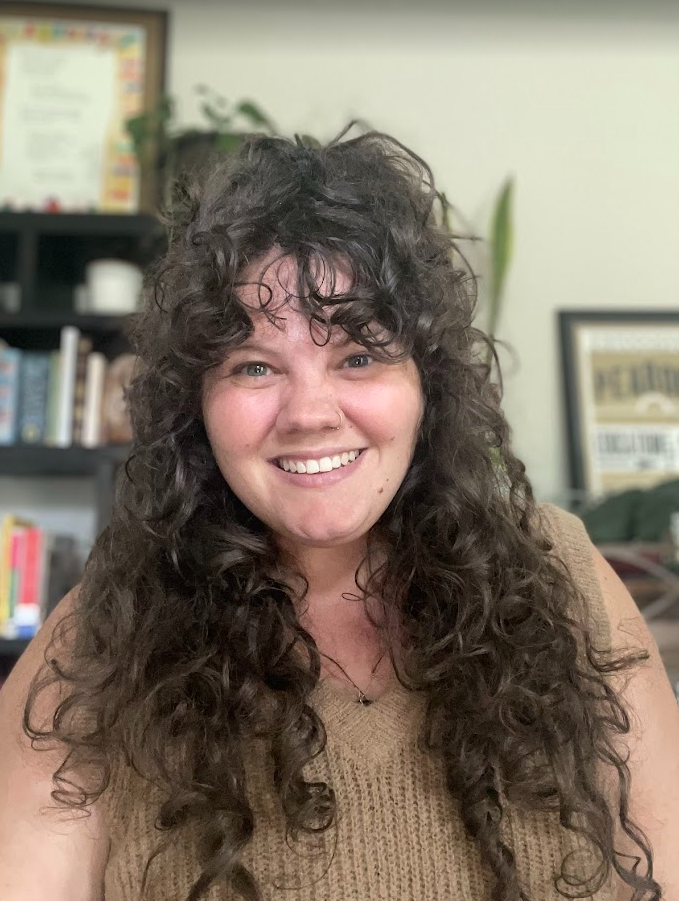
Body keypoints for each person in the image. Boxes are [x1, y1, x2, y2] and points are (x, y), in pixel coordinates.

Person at [0, 126, 677, 901]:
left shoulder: (563, 579)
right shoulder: (102, 640)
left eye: (357, 355)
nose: (309, 412)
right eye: (254, 366)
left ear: (427, 383)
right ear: (196, 403)